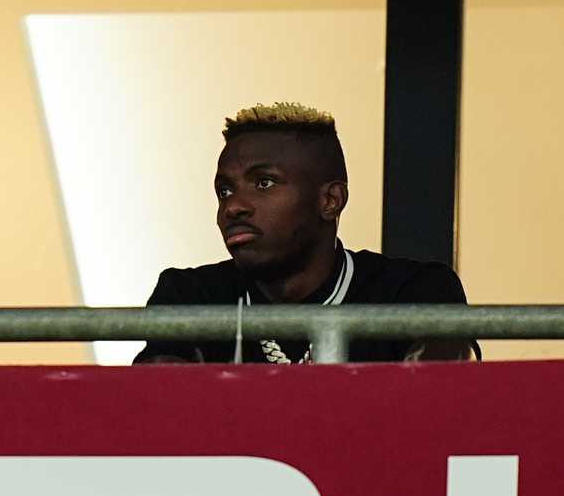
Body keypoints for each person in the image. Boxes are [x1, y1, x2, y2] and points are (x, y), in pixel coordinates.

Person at [134, 102, 479, 364]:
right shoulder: (190, 295)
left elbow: (441, 404)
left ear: (330, 200)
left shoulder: (413, 291)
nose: (234, 206)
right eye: (224, 190)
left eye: (263, 183)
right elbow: (158, 416)